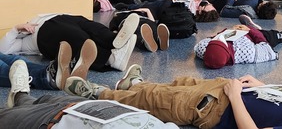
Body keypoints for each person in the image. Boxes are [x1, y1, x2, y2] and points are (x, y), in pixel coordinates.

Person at [65, 64, 282, 129]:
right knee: (172, 86)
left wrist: (237, 97)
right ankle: (131, 86)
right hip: (229, 92)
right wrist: (259, 84)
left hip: (216, 107)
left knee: (158, 101)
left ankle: (100, 94)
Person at [1, 60, 176, 128]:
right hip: (91, 107)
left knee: (9, 117)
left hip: (55, 121)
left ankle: (20, 95)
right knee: (42, 99)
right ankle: (20, 96)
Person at [0, 13, 139, 72]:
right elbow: (3, 50)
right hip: (45, 35)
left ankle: (113, 40)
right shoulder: (22, 42)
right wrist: (15, 29)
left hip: (62, 18)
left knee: (89, 26)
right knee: (77, 37)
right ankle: (109, 58)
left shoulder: (35, 17)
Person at [194, 15, 282, 69]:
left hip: (235, 31)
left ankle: (252, 26)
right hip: (254, 38)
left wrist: (228, 31)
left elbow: (208, 39)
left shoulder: (203, 49)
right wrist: (250, 30)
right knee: (275, 37)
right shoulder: (247, 53)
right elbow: (264, 46)